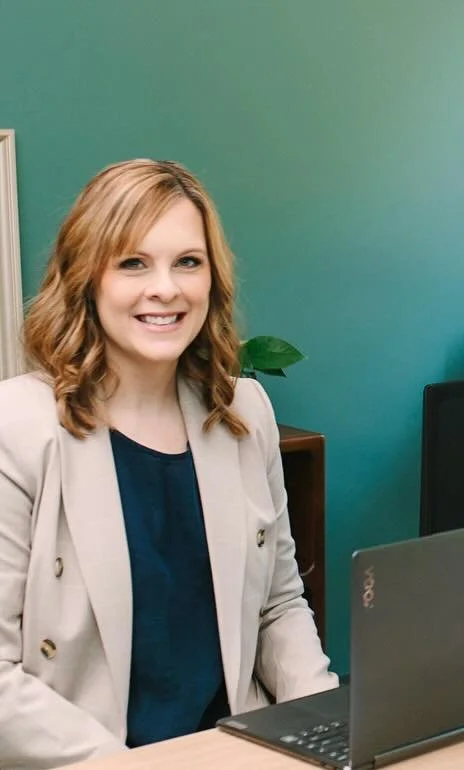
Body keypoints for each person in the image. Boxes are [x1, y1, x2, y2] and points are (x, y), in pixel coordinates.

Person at [0, 159, 336, 768]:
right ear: (86, 278)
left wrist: (331, 728)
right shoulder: (16, 429)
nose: (167, 288)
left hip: (241, 751)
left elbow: (279, 606)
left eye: (188, 261)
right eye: (133, 263)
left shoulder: (244, 410)